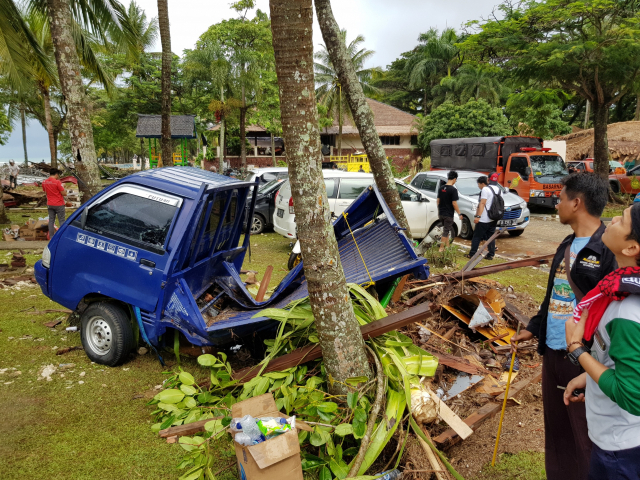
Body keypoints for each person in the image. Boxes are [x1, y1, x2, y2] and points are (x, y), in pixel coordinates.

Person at [511, 173, 616, 480]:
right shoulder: (567, 244)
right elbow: (553, 294)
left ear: (577, 202)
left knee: (586, 434)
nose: (557, 204)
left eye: (560, 198)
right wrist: (535, 326)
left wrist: (593, 364)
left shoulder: (607, 248)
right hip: (554, 352)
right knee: (556, 431)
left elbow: (610, 308)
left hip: (584, 358)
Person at [564, 203, 640, 479]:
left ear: (631, 248)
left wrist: (577, 351)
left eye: (624, 219)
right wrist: (588, 376)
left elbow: (632, 395)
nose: (615, 216)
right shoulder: (617, 288)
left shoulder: (628, 312)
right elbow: (625, 362)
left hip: (623, 448)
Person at [467, 175, 501, 260]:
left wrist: (478, 216)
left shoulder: (485, 189)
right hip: (493, 217)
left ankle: (472, 254)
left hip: (484, 218)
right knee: (491, 237)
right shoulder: (499, 189)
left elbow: (482, 203)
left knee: (477, 236)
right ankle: (490, 255)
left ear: (488, 180)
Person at [437, 170, 462, 252]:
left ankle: (447, 247)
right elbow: (454, 203)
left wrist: (440, 209)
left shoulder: (441, 188)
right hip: (448, 214)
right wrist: (459, 213)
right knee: (445, 231)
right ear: (454, 179)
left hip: (441, 214)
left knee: (446, 230)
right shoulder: (453, 190)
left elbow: (438, 201)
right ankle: (441, 248)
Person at [42, 169, 67, 238]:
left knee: (51, 220)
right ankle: (62, 236)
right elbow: (64, 193)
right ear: (56, 174)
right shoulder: (57, 182)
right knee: (61, 220)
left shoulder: (44, 182)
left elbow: (45, 191)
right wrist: (63, 187)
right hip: (59, 204)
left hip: (50, 204)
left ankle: (51, 236)